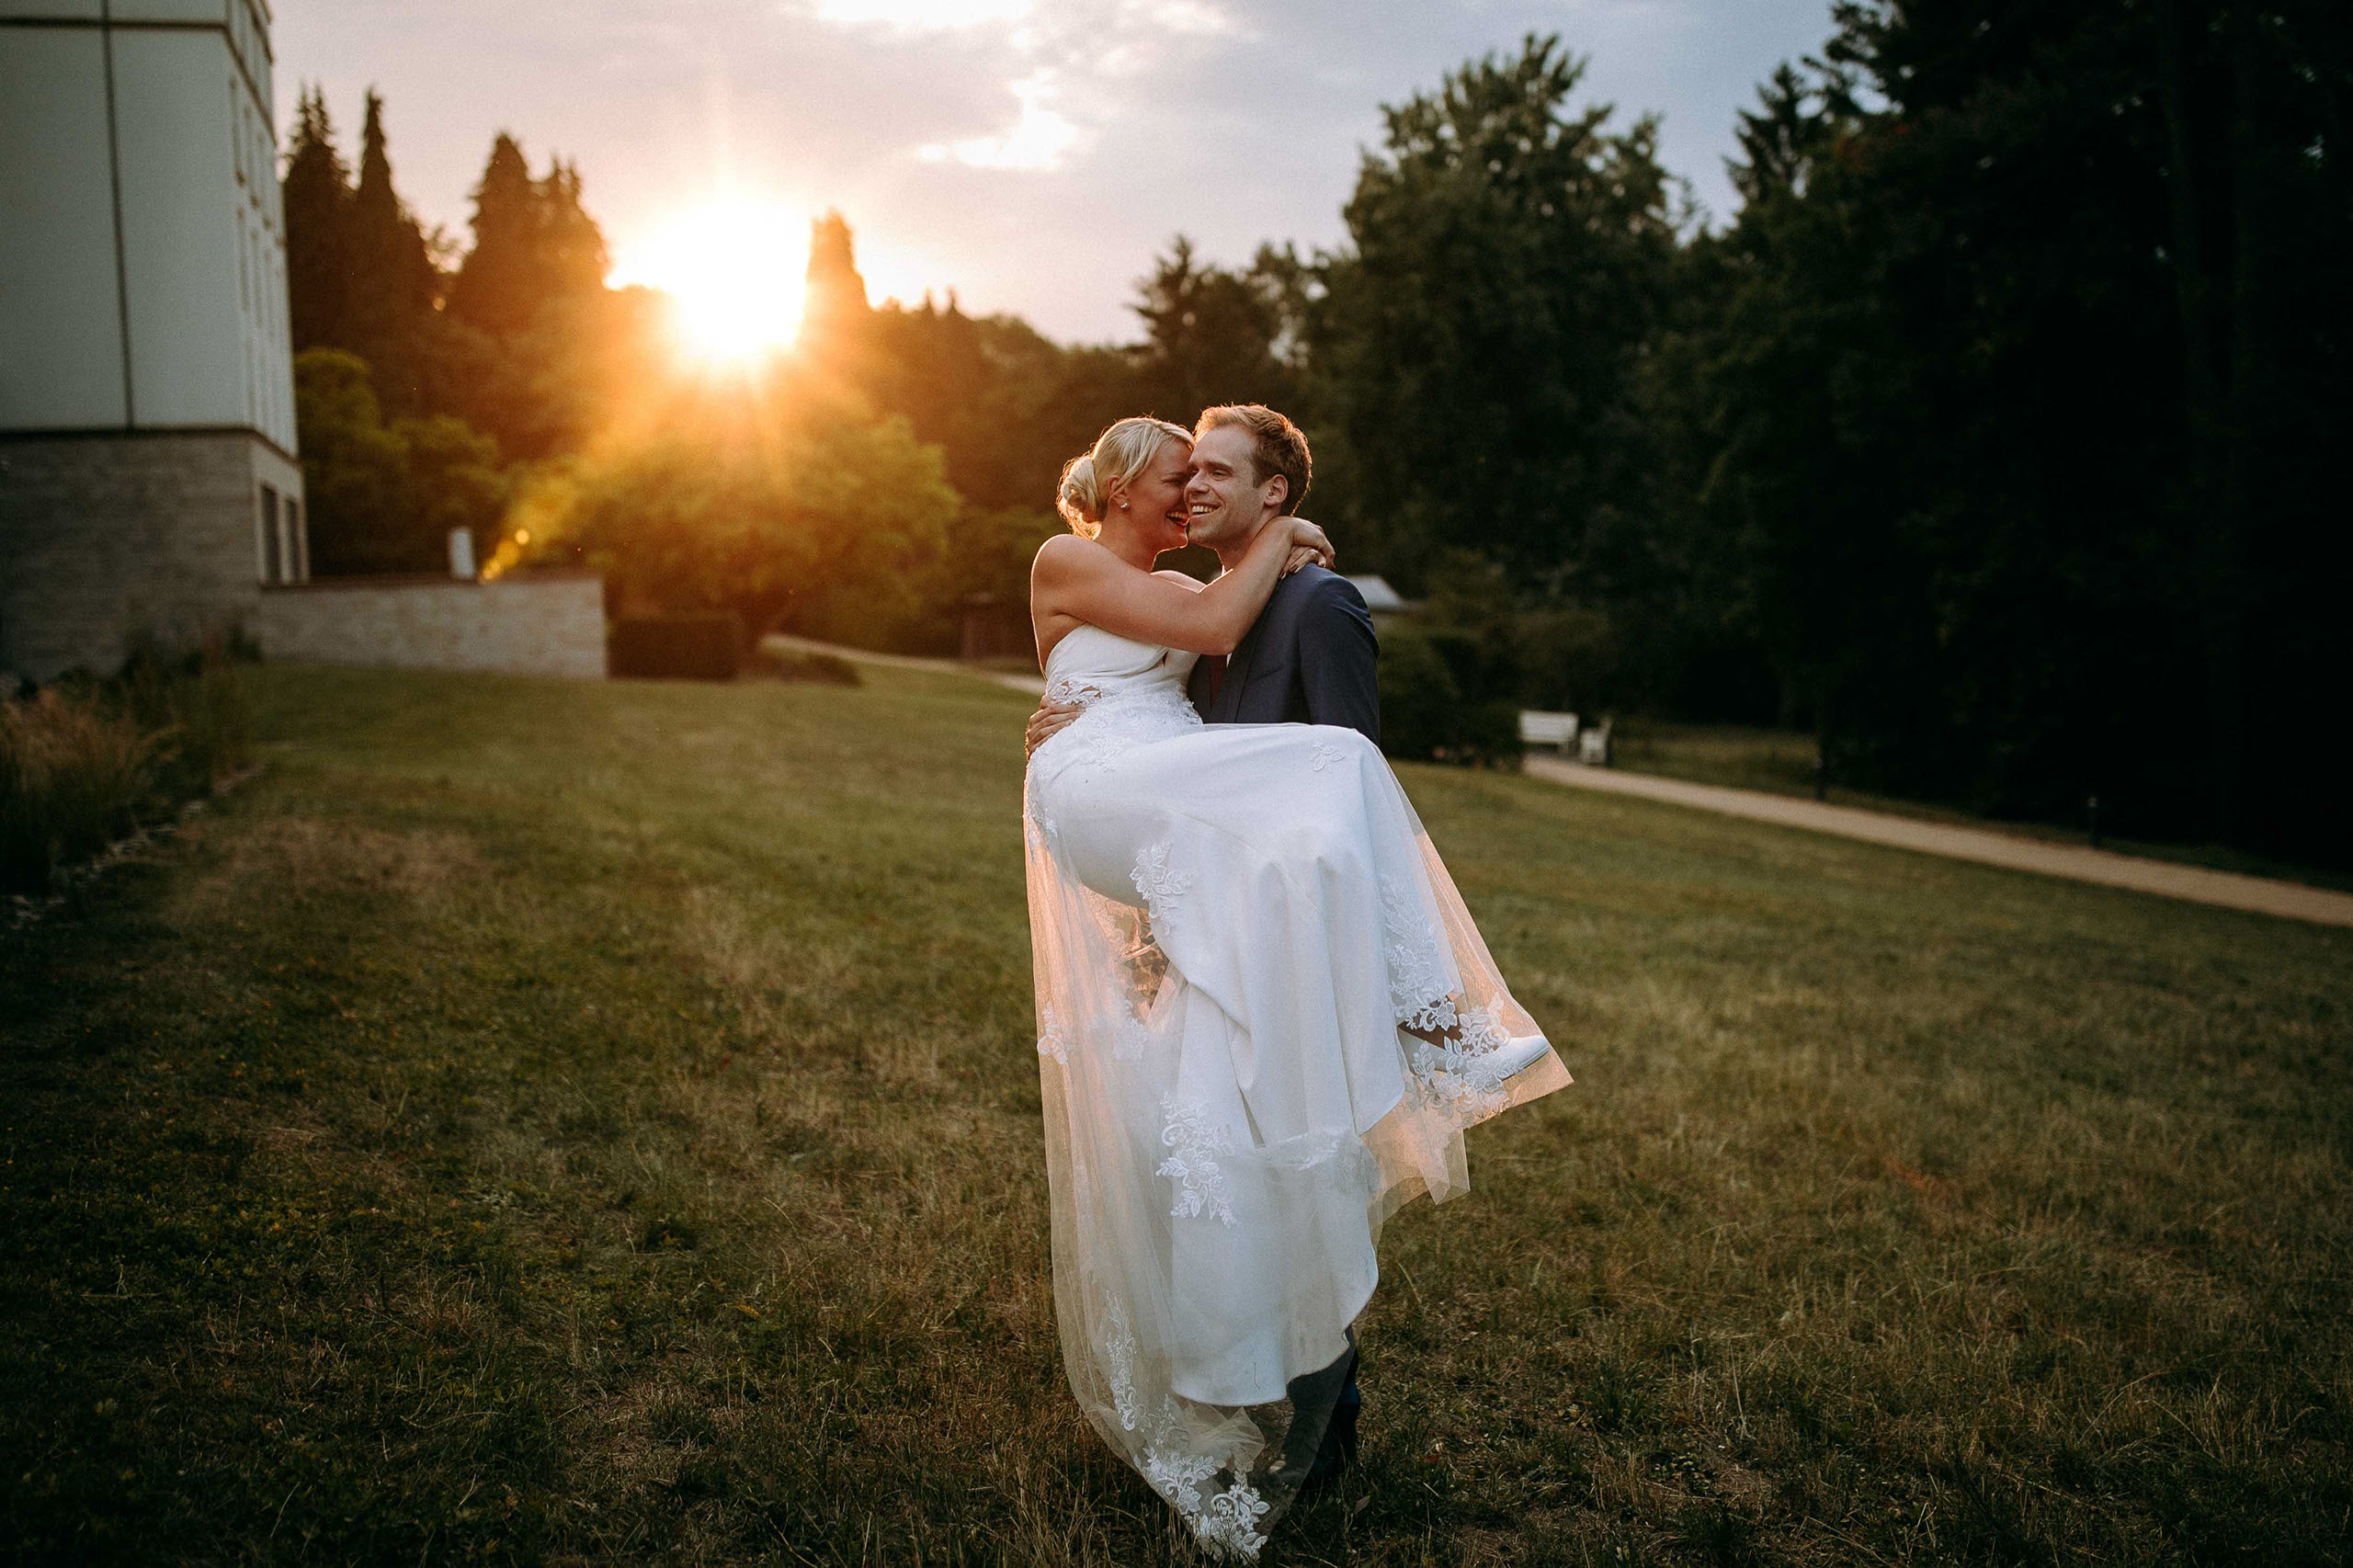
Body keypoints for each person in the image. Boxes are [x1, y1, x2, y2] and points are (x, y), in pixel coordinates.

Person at [1023, 413, 1570, 1561]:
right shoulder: (1069, 557)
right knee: (1341, 762)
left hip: (1186, 808)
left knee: (1224, 1116)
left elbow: (1207, 634)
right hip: (1110, 782)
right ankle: (1442, 1023)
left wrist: (1275, 533)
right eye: (1179, 478)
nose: (1187, 498)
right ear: (1121, 480)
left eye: (1206, 479)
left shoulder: (1186, 577)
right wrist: (1286, 529)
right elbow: (1216, 623)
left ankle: (1254, 1370)